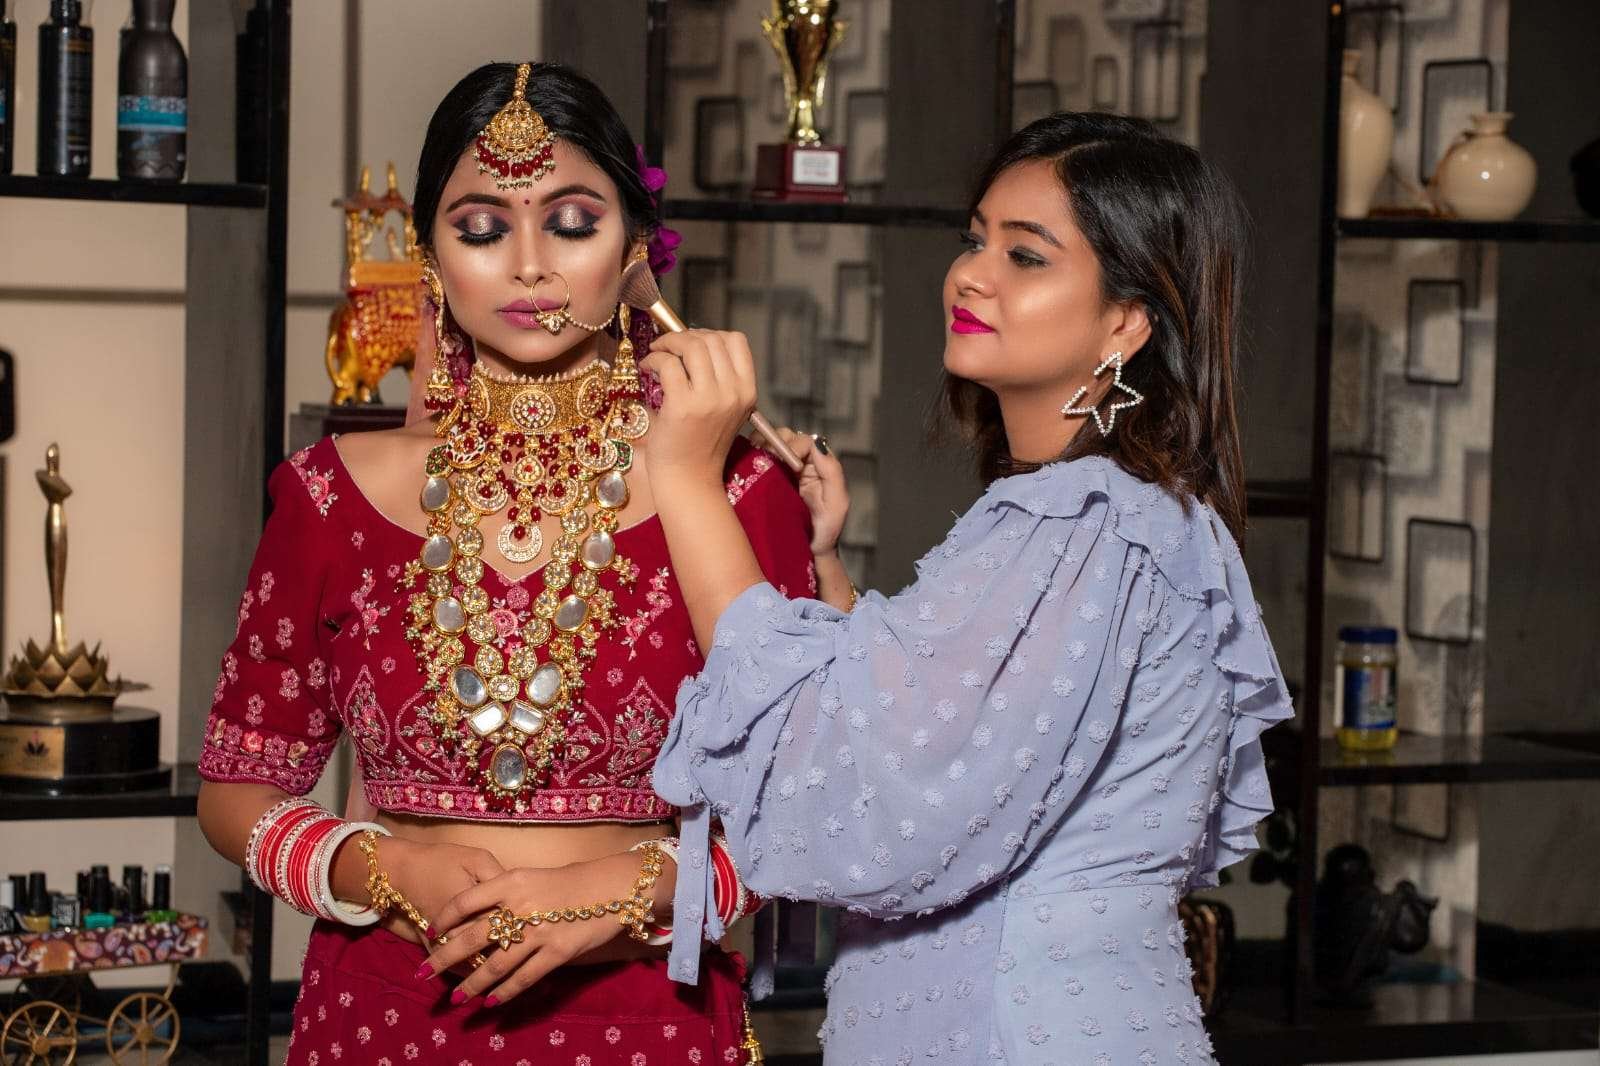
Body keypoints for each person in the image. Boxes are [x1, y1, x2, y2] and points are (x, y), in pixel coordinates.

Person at [642, 112, 1295, 1065]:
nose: (971, 275)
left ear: (1126, 322)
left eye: (1025, 255)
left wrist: (684, 478)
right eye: (974, 238)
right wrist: (828, 569)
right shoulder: (1115, 516)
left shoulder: (1083, 522)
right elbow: (937, 732)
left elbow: (873, 797)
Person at [195, 61, 813, 1064]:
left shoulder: (732, 492)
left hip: (641, 1014)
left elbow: (806, 815)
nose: (528, 265)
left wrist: (611, 892)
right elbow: (236, 789)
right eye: (481, 228)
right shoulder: (328, 495)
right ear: (430, 258)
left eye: (571, 222)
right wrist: (382, 868)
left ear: (634, 250)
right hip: (385, 1015)